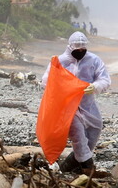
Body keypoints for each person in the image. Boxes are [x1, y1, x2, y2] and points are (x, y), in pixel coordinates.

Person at [42, 31, 111, 174]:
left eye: (83, 48)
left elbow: (104, 79)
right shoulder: (60, 61)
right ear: (70, 46)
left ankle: (66, 168)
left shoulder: (94, 60)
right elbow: (46, 81)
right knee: (78, 135)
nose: (80, 50)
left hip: (88, 105)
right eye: (77, 48)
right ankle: (88, 168)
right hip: (67, 108)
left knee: (95, 131)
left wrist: (95, 86)